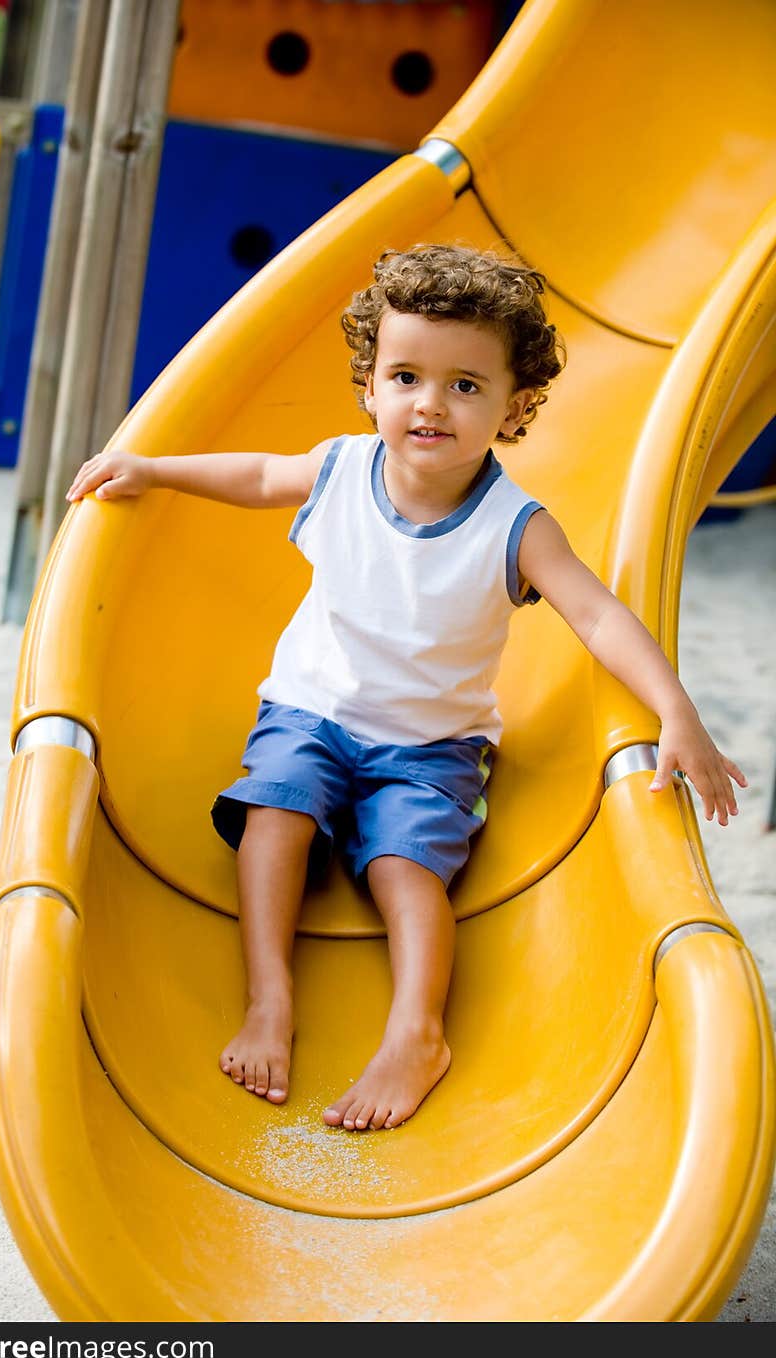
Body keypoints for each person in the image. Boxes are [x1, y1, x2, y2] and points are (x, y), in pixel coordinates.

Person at [66, 242, 747, 1133]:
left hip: (431, 746)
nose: (431, 403)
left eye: (467, 386)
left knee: (405, 868)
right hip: (309, 711)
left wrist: (678, 713)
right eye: (406, 377)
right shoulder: (343, 468)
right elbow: (262, 475)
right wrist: (154, 468)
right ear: (370, 384)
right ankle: (269, 998)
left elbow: (601, 617)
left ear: (516, 405)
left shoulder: (516, 526)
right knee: (273, 816)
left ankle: (416, 1032)